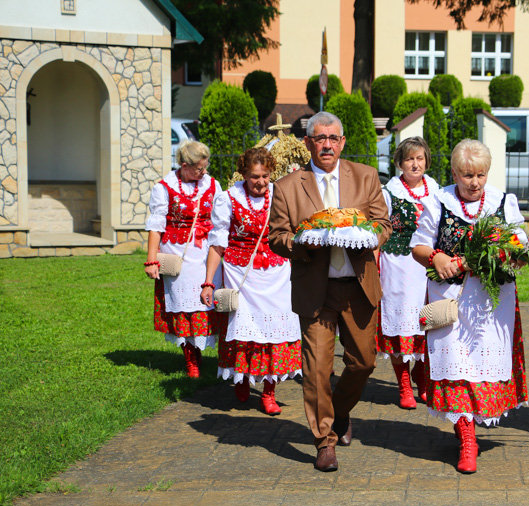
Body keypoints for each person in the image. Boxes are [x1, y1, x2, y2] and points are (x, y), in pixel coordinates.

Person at [269, 111, 392, 472]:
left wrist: (372, 236)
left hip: (358, 286)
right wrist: (303, 243)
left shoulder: (366, 177)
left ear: (342, 142)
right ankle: (324, 441)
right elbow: (278, 237)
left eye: (333, 138)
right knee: (317, 370)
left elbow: (383, 223)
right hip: (315, 289)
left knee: (363, 364)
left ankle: (339, 411)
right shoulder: (288, 185)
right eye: (319, 138)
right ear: (308, 142)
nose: (326, 144)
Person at [410, 139, 529, 474]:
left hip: (493, 303)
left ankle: (474, 426)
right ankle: (467, 439)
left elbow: (520, 245)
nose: (474, 182)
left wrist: (513, 255)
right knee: (456, 366)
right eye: (466, 175)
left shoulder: (503, 202)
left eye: (480, 175)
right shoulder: (439, 201)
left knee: (481, 366)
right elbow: (418, 246)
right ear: (454, 172)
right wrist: (437, 256)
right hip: (450, 300)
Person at [200, 148, 302, 416]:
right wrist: (208, 282)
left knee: (274, 333)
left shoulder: (279, 197)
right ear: (243, 174)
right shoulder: (228, 199)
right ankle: (243, 377)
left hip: (277, 273)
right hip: (239, 273)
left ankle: (269, 392)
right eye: (255, 176)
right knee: (245, 331)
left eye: (266, 176)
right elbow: (218, 243)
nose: (260, 182)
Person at [144, 141, 221, 378]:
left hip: (206, 253)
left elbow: (221, 219)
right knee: (183, 306)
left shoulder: (212, 185)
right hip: (177, 253)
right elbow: (156, 225)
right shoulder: (164, 188)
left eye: (205, 167)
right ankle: (190, 358)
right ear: (185, 166)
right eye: (199, 168)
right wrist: (151, 259)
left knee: (206, 304)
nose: (204, 172)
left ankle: (200, 352)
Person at [377, 137, 440, 410]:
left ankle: (422, 377)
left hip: (427, 266)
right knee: (401, 321)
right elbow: (378, 228)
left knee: (427, 321)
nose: (415, 164)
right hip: (398, 265)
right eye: (409, 159)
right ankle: (403, 383)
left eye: (420, 159)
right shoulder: (389, 192)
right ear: (399, 163)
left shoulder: (437, 191)